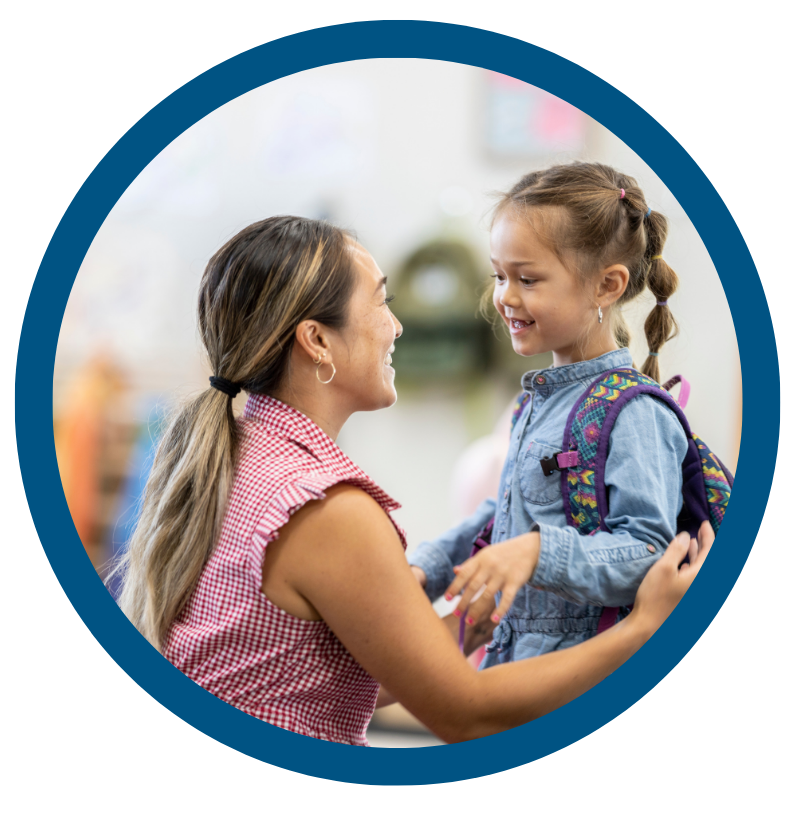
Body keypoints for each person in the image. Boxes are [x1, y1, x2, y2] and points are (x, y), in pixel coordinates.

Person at [114, 214, 713, 746]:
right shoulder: (323, 507)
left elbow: (306, 679)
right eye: (381, 302)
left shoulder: (245, 453)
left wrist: (453, 626)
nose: (398, 327)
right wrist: (645, 630)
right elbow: (464, 715)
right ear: (317, 341)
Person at [409, 161, 711, 667]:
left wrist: (536, 552)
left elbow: (649, 551)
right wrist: (430, 566)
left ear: (607, 286)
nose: (505, 296)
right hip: (512, 660)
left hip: (582, 673)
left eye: (527, 278)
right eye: (498, 275)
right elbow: (508, 511)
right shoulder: (535, 403)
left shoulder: (635, 411)